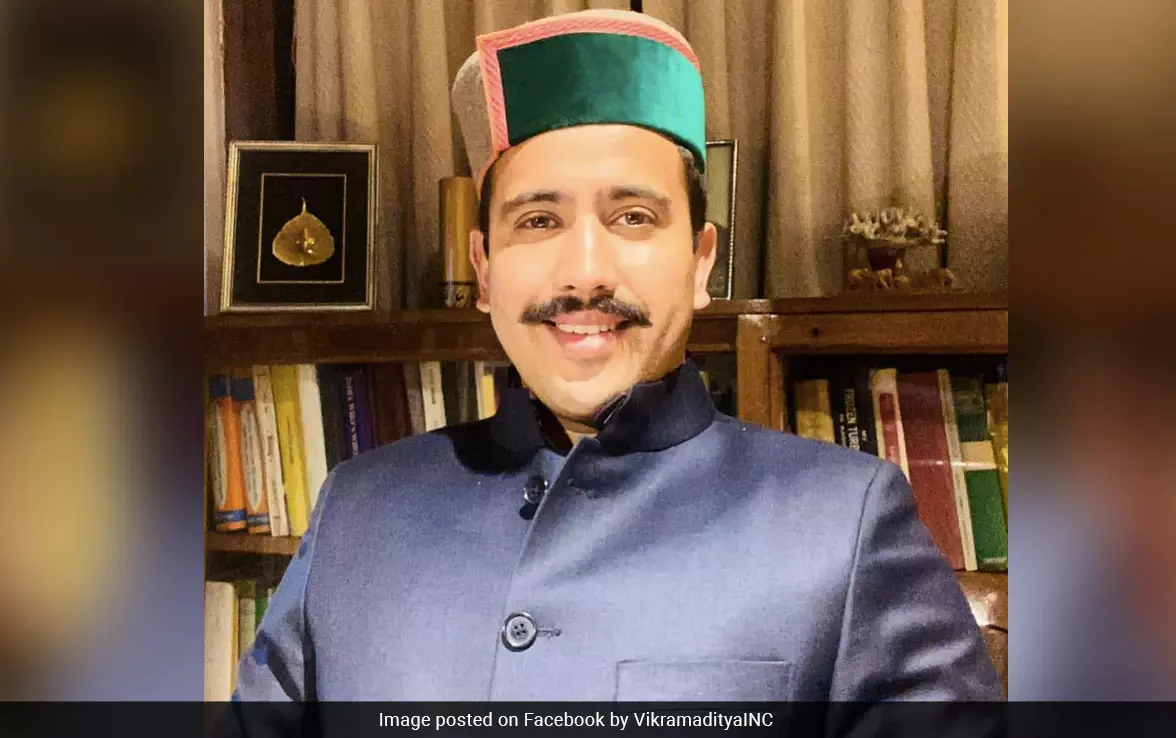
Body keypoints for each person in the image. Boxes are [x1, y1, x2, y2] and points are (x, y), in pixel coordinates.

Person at [234, 9, 1000, 703]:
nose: (585, 273)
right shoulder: (359, 510)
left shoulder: (844, 521)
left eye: (633, 216)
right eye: (538, 220)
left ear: (700, 261)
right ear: (484, 270)